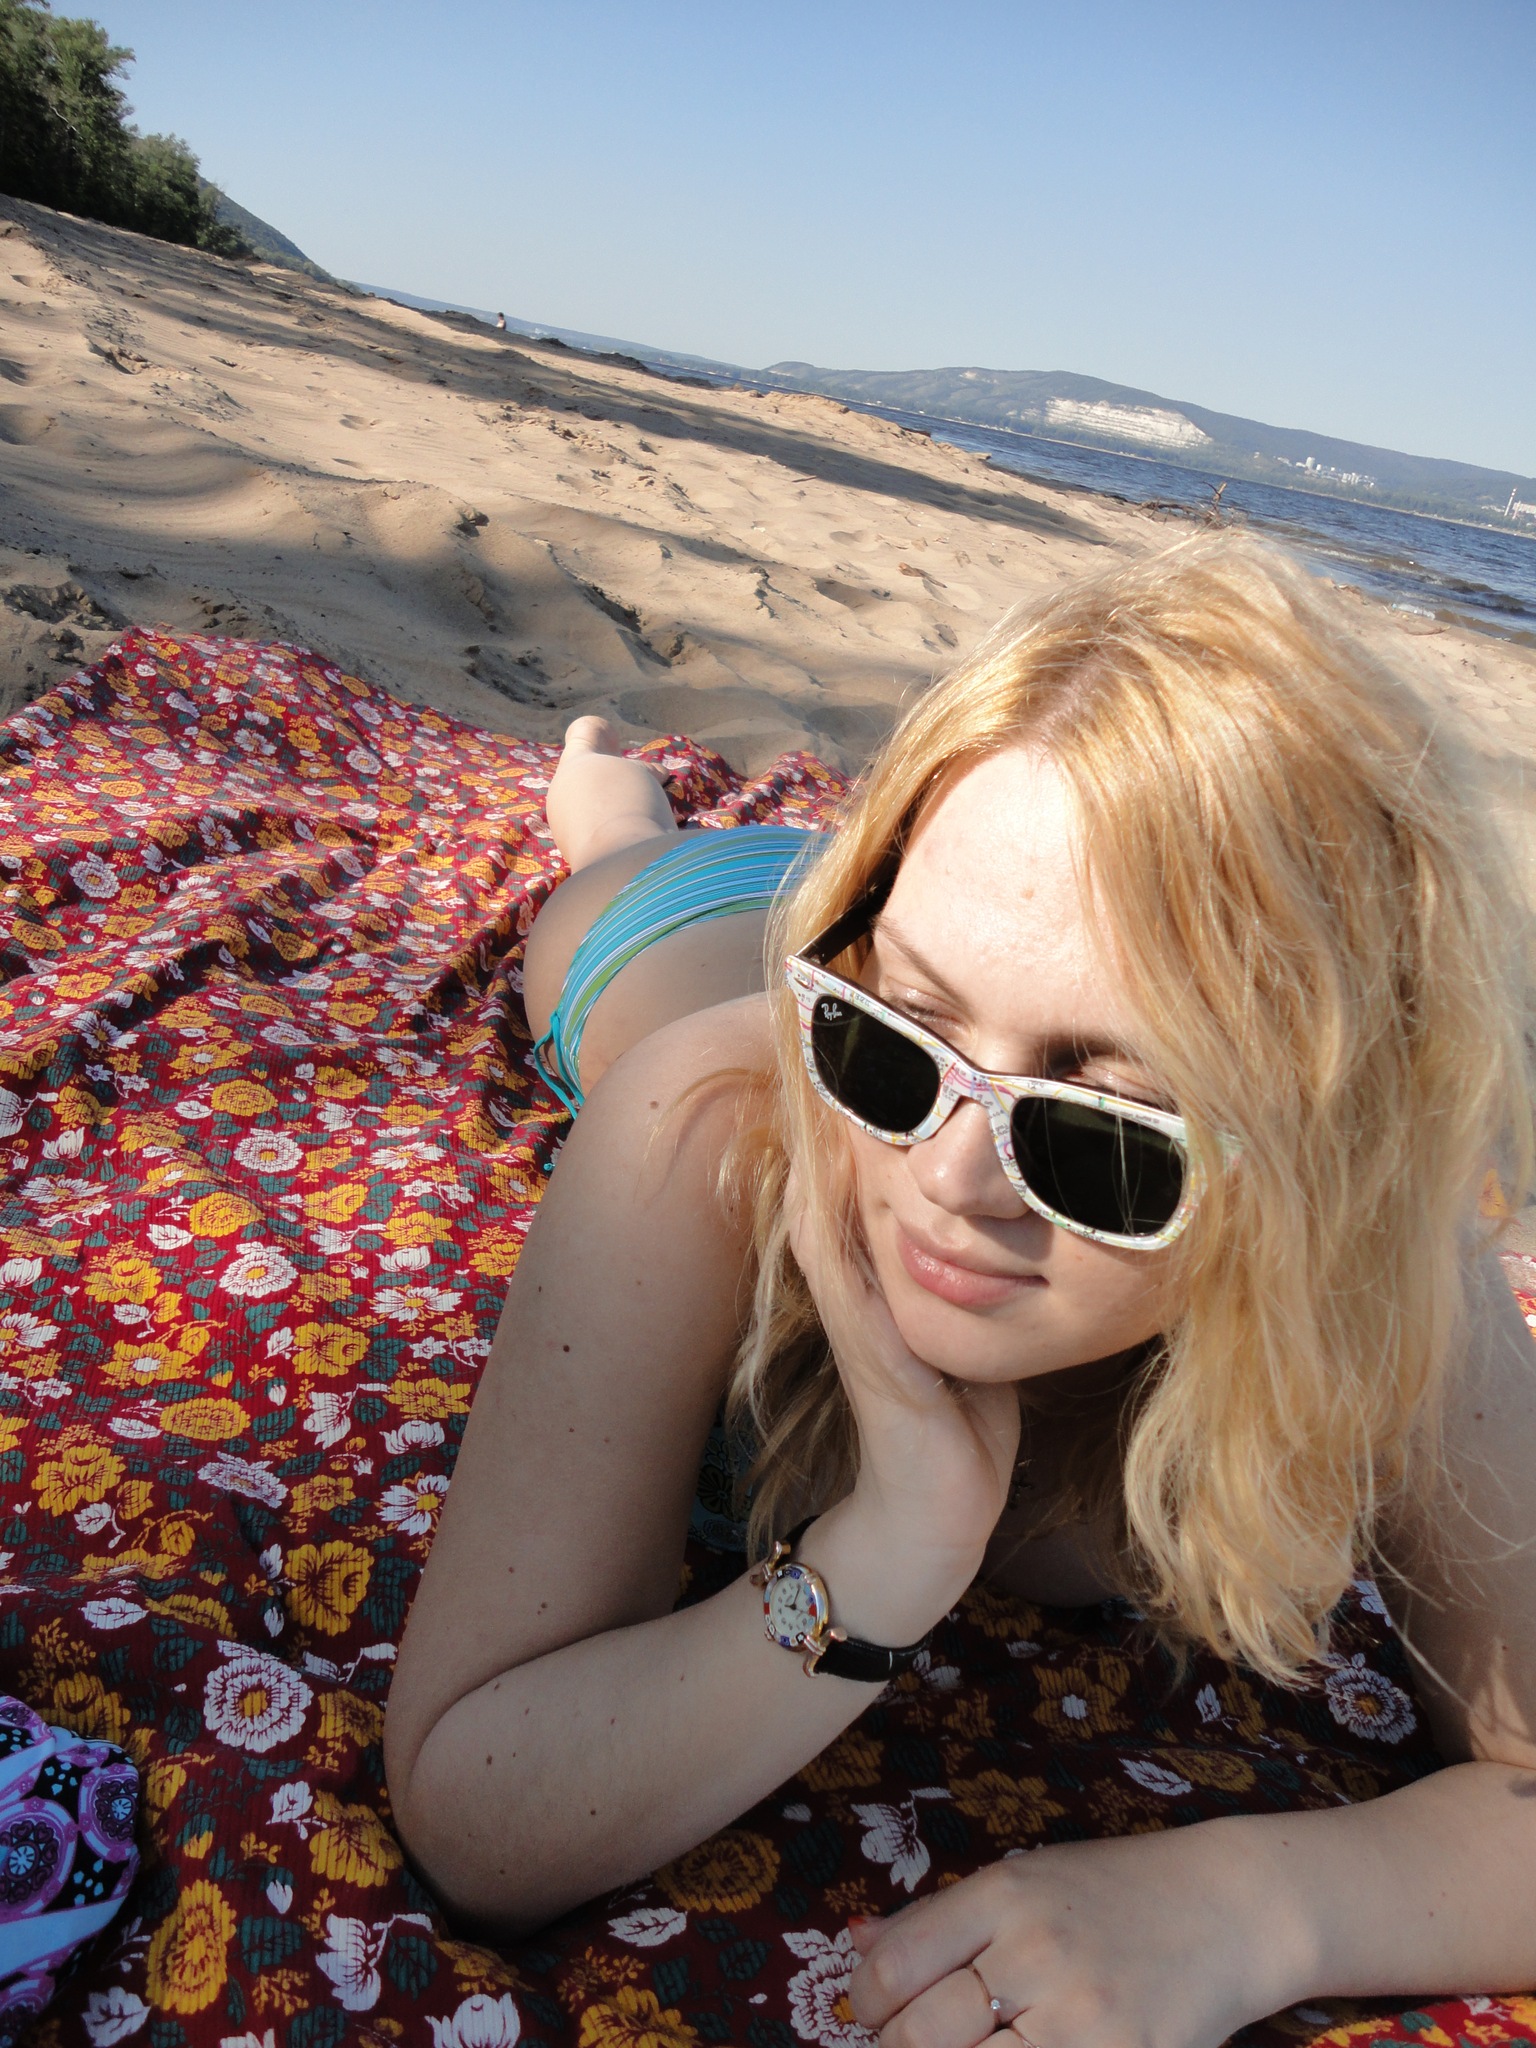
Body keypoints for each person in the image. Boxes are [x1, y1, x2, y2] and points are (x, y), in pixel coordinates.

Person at [385, 535, 1536, 2046]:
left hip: (931, 908)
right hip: (680, 945)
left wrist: (1255, 1908)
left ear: (1328, 1169)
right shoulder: (709, 1124)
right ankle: (622, 813)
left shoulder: (1388, 1270)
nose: (943, 1173)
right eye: (888, 1040)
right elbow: (474, 1812)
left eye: (1101, 1132)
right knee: (621, 880)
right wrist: (886, 1554)